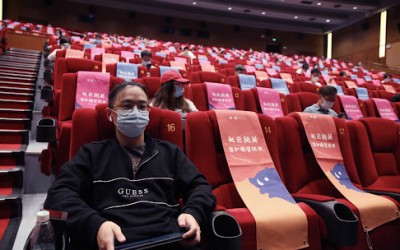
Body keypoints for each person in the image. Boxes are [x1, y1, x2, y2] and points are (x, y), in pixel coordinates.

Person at [44, 81, 215, 250]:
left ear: (148, 113)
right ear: (110, 114)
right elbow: (59, 194)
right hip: (113, 243)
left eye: (142, 107)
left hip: (170, 240)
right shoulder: (92, 154)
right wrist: (95, 225)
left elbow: (200, 187)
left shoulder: (170, 152)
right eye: (126, 106)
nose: (136, 112)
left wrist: (193, 213)